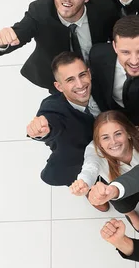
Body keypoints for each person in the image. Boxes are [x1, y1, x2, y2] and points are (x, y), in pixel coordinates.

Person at [0, 0, 119, 92]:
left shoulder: (105, 9)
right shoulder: (39, 12)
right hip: (60, 81)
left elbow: (122, 36)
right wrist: (0, 42)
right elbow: (17, 35)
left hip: (98, 73)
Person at [70, 111, 139, 235]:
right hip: (120, 190)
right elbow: (90, 167)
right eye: (105, 137)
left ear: (128, 133)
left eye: (118, 134)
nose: (113, 142)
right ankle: (131, 214)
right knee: (123, 204)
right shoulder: (94, 150)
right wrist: (84, 183)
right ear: (99, 142)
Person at [26, 52, 101, 186]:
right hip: (77, 154)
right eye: (70, 80)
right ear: (59, 87)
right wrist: (42, 131)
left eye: (82, 75)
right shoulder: (52, 108)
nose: (80, 85)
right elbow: (51, 122)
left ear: (89, 74)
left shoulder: (102, 88)